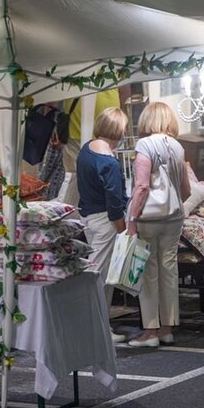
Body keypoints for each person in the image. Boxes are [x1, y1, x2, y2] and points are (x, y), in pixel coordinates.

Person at [125, 102, 190, 348]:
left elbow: (141, 186)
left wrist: (132, 218)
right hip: (174, 218)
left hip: (149, 218)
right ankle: (167, 328)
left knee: (149, 272)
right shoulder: (178, 146)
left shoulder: (145, 145)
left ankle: (150, 331)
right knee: (169, 270)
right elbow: (185, 189)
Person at [75, 106, 129, 344]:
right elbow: (114, 202)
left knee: (95, 273)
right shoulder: (109, 162)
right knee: (99, 277)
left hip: (88, 217)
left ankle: (95, 325)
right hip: (106, 221)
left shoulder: (86, 150)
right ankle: (98, 328)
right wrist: (122, 229)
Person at [60, 89, 122, 208]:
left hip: (84, 130)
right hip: (101, 128)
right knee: (104, 180)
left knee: (75, 179)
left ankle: (74, 216)